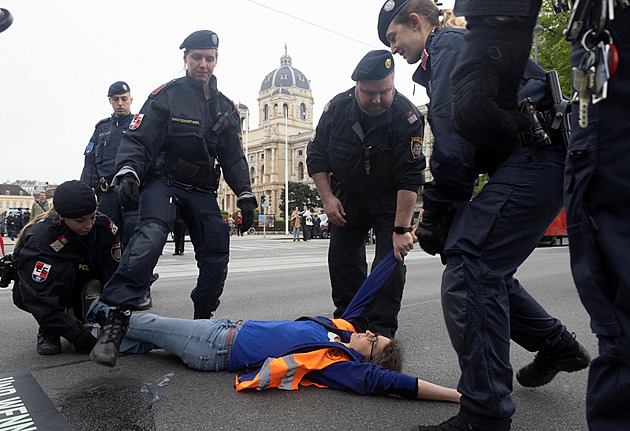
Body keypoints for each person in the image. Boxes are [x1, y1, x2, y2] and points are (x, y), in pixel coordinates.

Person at [377, 2, 591, 430]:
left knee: (470, 265)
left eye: (394, 37)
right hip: (540, 159)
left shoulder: (448, 48)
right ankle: (556, 346)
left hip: (538, 157)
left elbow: (454, 142)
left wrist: (437, 212)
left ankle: (484, 414)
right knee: (486, 267)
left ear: (415, 23)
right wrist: (446, 210)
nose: (394, 49)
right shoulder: (453, 45)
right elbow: (472, 140)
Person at [90, 30, 257, 368]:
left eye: (209, 58)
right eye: (197, 57)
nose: (203, 64)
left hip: (202, 190)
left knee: (216, 252)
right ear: (185, 59)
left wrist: (245, 194)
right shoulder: (166, 96)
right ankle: (116, 322)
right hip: (164, 183)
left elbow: (233, 157)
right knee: (149, 237)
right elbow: (139, 139)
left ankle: (202, 321)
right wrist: (128, 173)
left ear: (216, 60)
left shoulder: (226, 108)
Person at [87, 251, 460, 402]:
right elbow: (367, 293)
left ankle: (96, 310)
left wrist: (461, 396)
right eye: (373, 332)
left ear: (370, 362)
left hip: (216, 345)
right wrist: (396, 255)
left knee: (145, 322)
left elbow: (395, 384)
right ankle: (89, 337)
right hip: (225, 328)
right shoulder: (341, 332)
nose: (367, 332)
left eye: (373, 341)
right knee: (142, 342)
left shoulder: (340, 365)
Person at [307, 50, 425, 339]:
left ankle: (381, 330)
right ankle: (350, 324)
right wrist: (327, 198)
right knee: (342, 260)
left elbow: (411, 177)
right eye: (369, 93)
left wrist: (400, 229)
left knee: (390, 261)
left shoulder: (407, 117)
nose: (377, 99)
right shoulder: (336, 110)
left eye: (384, 92)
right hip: (348, 195)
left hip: (390, 199)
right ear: (356, 86)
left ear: (393, 83)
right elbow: (317, 156)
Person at [11, 180, 120, 356]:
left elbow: (113, 274)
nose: (88, 225)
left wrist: (114, 318)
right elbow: (38, 297)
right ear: (62, 216)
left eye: (92, 216)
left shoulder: (103, 228)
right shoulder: (41, 241)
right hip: (45, 292)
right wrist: (78, 336)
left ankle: (81, 316)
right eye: (80, 221)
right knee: (65, 272)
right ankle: (50, 329)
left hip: (85, 286)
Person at [80, 81, 139, 249]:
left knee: (133, 236)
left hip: (132, 192)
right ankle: (108, 274)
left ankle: (139, 275)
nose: (120, 103)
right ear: (110, 101)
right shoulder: (101, 128)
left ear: (131, 100)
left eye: (124, 99)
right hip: (106, 194)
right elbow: (89, 161)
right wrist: (83, 192)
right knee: (106, 237)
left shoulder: (140, 124)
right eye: (116, 99)